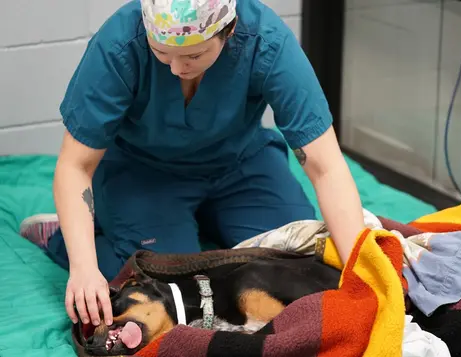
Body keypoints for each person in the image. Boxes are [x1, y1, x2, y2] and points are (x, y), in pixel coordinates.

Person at [20, 0, 365, 331]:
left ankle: (209, 229)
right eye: (160, 52)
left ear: (229, 31)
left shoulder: (266, 41)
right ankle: (62, 238)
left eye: (194, 54)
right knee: (172, 292)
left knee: (297, 265)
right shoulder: (119, 44)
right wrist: (83, 267)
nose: (175, 68)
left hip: (240, 163)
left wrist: (361, 272)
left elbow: (326, 166)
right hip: (143, 173)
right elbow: (75, 166)